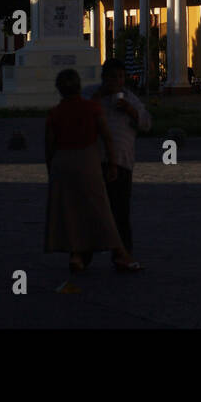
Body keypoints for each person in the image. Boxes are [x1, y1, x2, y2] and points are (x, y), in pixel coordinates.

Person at [44, 69, 141, 273]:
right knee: (102, 210)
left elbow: (49, 144)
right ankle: (121, 253)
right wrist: (113, 163)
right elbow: (106, 137)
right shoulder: (91, 108)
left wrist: (51, 168)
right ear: (79, 86)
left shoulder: (54, 113)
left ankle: (77, 255)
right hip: (87, 159)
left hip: (62, 161)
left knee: (71, 211)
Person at [83, 58, 151, 261]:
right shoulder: (90, 94)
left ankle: (122, 254)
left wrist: (131, 110)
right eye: (112, 77)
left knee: (120, 211)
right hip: (94, 160)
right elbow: (80, 117)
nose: (116, 81)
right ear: (103, 78)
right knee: (91, 210)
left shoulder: (130, 98)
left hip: (122, 161)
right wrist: (97, 98)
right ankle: (82, 255)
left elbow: (147, 124)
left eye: (120, 77)